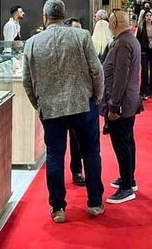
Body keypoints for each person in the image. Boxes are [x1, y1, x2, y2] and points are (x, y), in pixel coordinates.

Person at [22, 0, 105, 223]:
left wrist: (38, 104)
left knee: (55, 156)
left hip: (51, 109)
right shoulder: (81, 36)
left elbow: (27, 81)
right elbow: (96, 70)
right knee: (90, 153)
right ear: (64, 15)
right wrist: (97, 96)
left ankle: (58, 208)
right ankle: (95, 202)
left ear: (45, 18)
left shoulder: (32, 43)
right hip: (83, 104)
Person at [101, 9, 142, 204]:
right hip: (127, 101)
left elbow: (120, 77)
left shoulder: (123, 43)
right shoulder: (128, 40)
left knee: (122, 144)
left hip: (122, 103)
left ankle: (126, 186)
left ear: (114, 24)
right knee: (127, 141)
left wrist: (113, 105)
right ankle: (128, 179)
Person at [63, 16, 86, 186]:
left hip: (79, 101)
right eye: (75, 29)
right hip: (58, 103)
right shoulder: (59, 48)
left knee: (77, 139)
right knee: (56, 148)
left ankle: (77, 170)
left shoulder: (85, 47)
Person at [136, 10, 152, 99]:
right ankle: (143, 91)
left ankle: (151, 90)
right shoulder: (141, 27)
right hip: (144, 51)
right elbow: (137, 39)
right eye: (147, 15)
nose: (149, 17)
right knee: (145, 71)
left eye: (150, 15)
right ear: (144, 17)